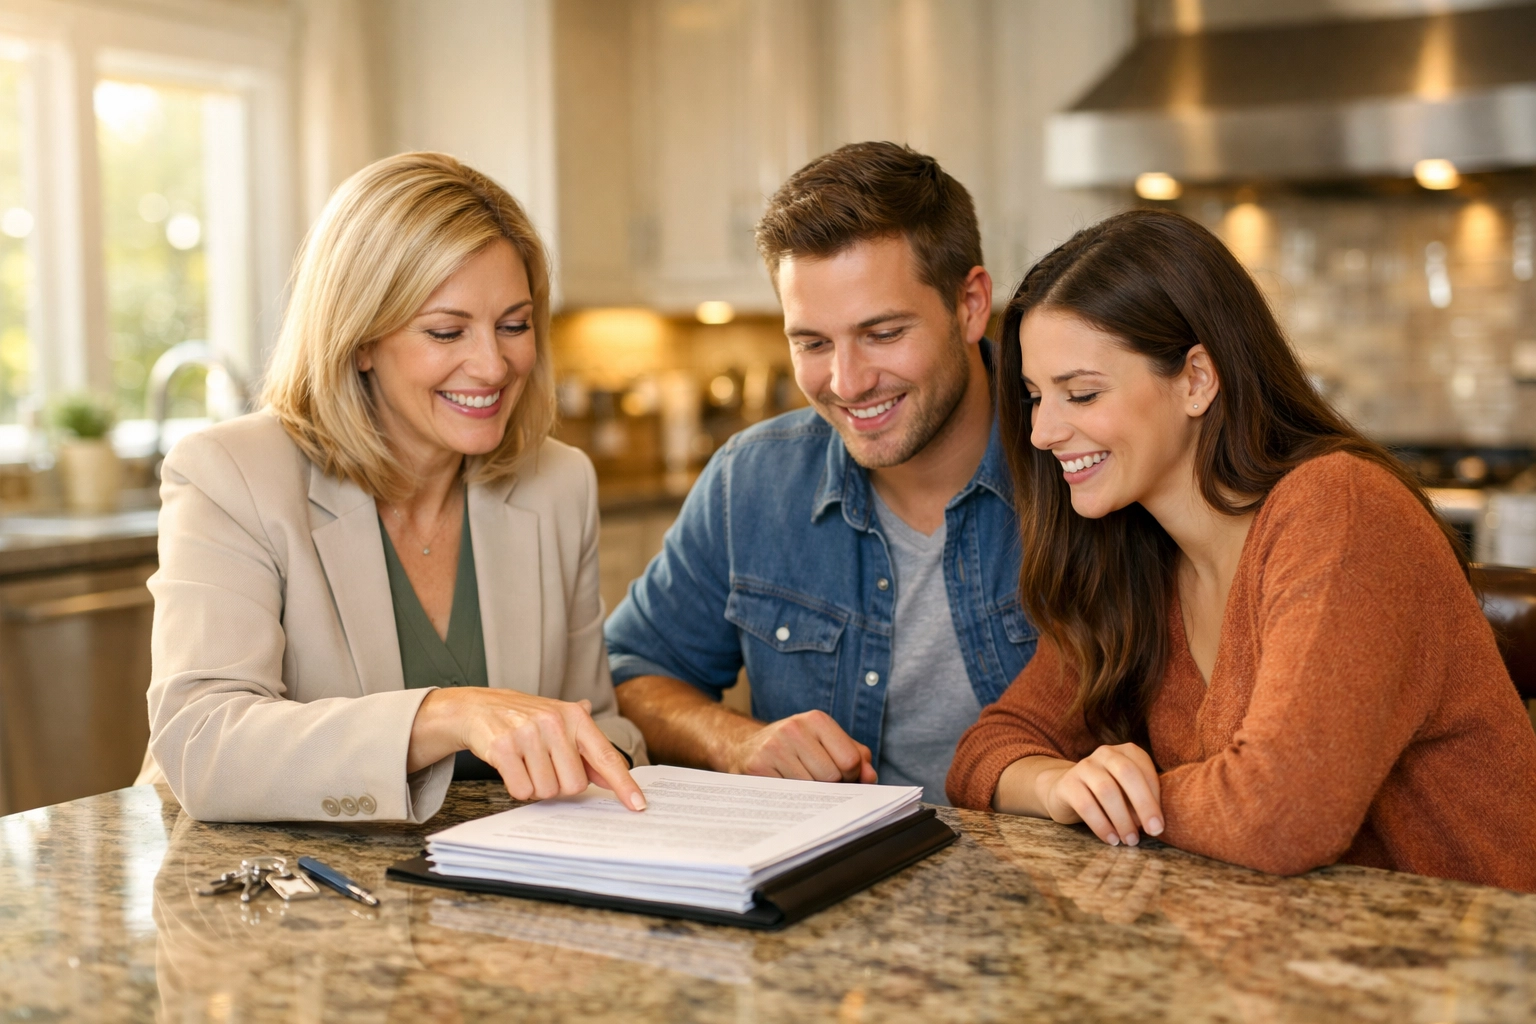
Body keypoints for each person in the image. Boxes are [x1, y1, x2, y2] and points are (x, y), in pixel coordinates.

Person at [946, 208, 1536, 891]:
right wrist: (1059, 786)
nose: (1044, 431)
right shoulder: (1137, 556)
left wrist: (1131, 800)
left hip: (1480, 968)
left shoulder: (1338, 510)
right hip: (1296, 964)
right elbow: (985, 751)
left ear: (1197, 378)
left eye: (1081, 393)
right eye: (1032, 397)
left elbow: (1280, 813)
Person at [138, 152, 647, 823]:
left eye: (514, 325)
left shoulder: (559, 483)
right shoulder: (229, 474)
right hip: (279, 898)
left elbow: (596, 718)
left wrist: (606, 753)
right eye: (446, 330)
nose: (493, 364)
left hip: (491, 889)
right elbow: (204, 744)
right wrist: (447, 714)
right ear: (360, 340)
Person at [604, 142, 1037, 804]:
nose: (848, 383)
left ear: (971, 303)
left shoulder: (1077, 460)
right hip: (828, 890)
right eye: (811, 342)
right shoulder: (750, 481)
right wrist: (736, 741)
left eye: (884, 333)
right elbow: (629, 672)